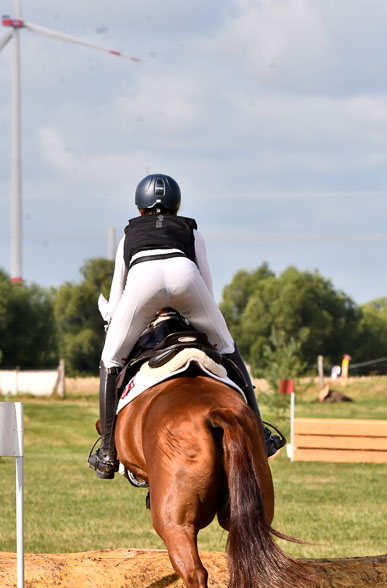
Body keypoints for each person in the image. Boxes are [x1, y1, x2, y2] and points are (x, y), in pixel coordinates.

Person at [87, 173, 284, 479]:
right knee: (228, 347)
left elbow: (114, 303)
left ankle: (109, 452)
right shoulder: (192, 231)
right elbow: (207, 286)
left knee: (111, 360)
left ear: (139, 208)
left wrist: (115, 317)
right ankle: (260, 435)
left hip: (143, 283)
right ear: (177, 206)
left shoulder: (128, 236)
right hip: (185, 277)